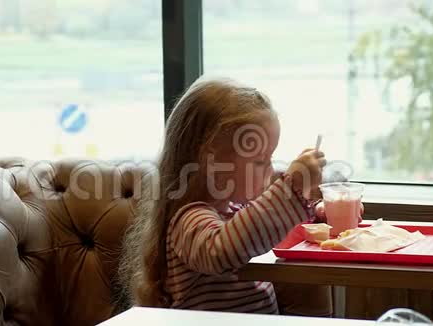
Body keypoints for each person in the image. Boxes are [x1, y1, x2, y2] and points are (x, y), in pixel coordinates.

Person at [120, 77, 338, 316]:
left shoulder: (233, 210)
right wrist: (290, 188)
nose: (269, 168)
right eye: (259, 160)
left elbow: (268, 230)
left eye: (270, 158)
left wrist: (315, 216)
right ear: (212, 161)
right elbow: (226, 248)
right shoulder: (189, 220)